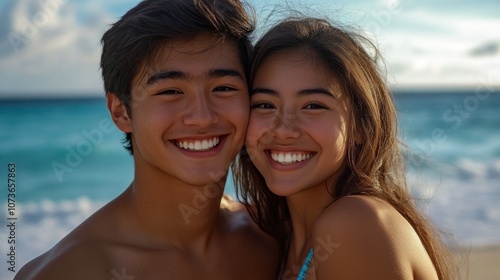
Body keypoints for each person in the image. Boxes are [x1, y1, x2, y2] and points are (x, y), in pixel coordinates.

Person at [15, 0, 280, 279]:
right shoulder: (70, 272)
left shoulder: (271, 235)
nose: (202, 117)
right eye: (170, 91)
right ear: (121, 112)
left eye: (224, 88)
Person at [233, 17, 457, 279]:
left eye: (313, 106)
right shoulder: (280, 236)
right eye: (265, 105)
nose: (283, 129)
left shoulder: (353, 224)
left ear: (361, 126)